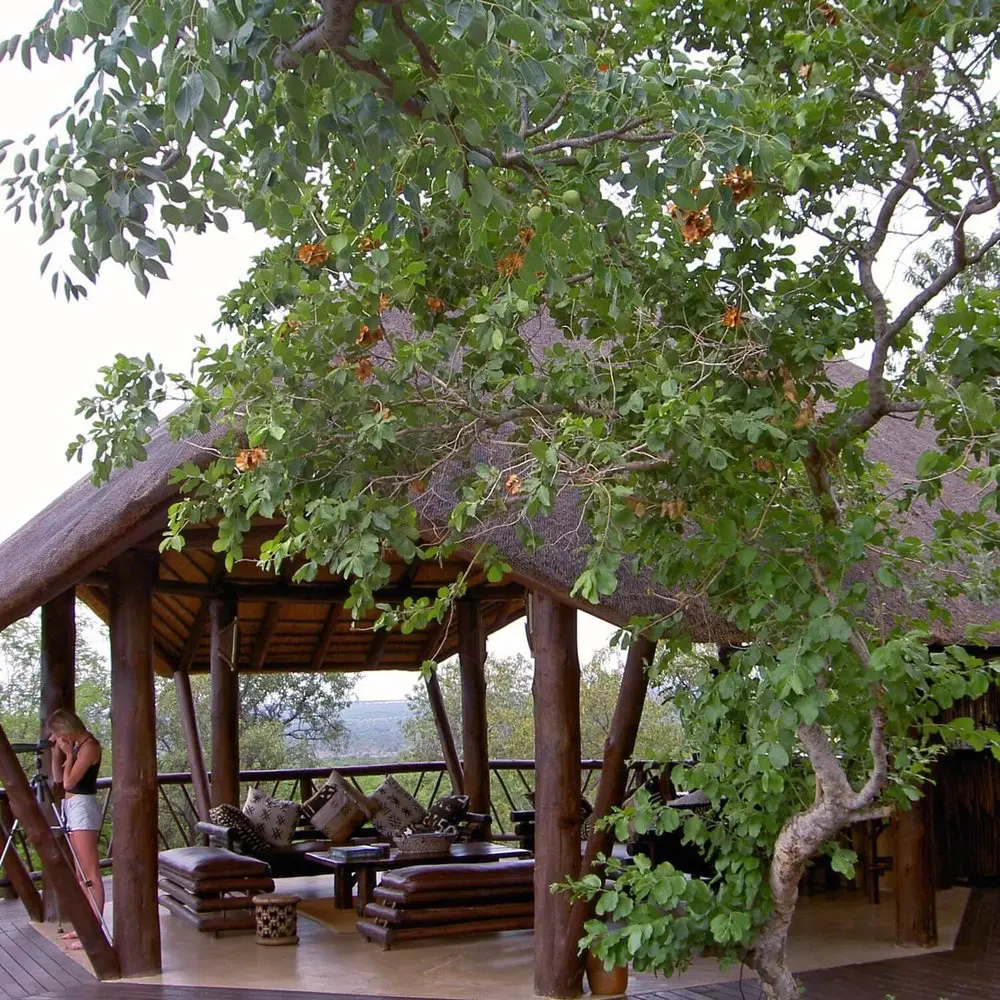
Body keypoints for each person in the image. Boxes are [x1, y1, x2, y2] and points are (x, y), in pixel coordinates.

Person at [47, 709, 104, 943]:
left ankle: (95, 931)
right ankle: (86, 927)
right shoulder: (78, 746)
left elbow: (70, 782)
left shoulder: (89, 746)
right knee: (81, 873)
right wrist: (55, 754)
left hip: (83, 807)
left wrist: (69, 756)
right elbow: (59, 781)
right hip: (72, 807)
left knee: (90, 872)